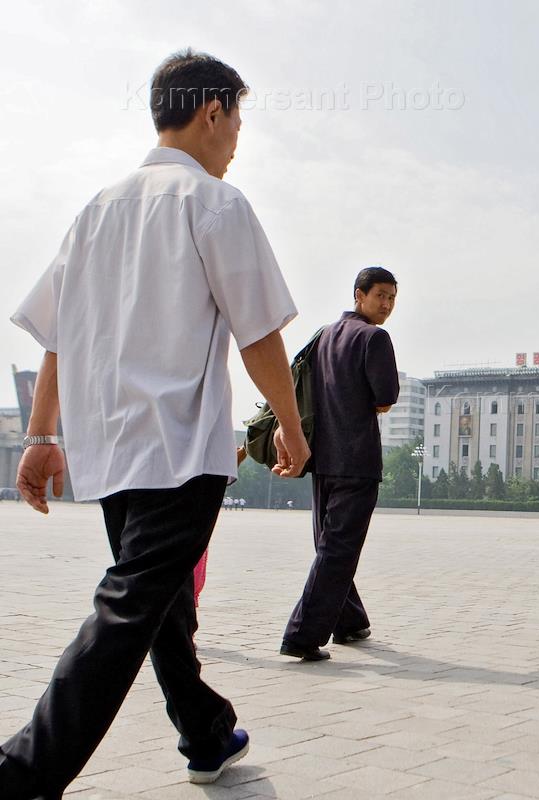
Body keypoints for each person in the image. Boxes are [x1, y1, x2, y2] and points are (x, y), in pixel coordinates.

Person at [1, 50, 309, 798]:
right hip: (177, 446)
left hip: (112, 451)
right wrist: (293, 431)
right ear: (211, 113)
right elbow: (259, 331)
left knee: (159, 598)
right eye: (237, 121)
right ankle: (24, 770)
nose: (237, 139)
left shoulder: (96, 209)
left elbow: (56, 337)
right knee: (134, 602)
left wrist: (43, 439)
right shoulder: (214, 203)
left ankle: (205, 732)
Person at [281, 268, 400, 661]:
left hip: (323, 459)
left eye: (392, 298)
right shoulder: (374, 338)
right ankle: (302, 635)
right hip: (358, 459)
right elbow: (385, 397)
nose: (386, 305)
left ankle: (349, 622)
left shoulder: (323, 336)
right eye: (380, 295)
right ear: (359, 294)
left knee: (328, 543)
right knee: (338, 550)